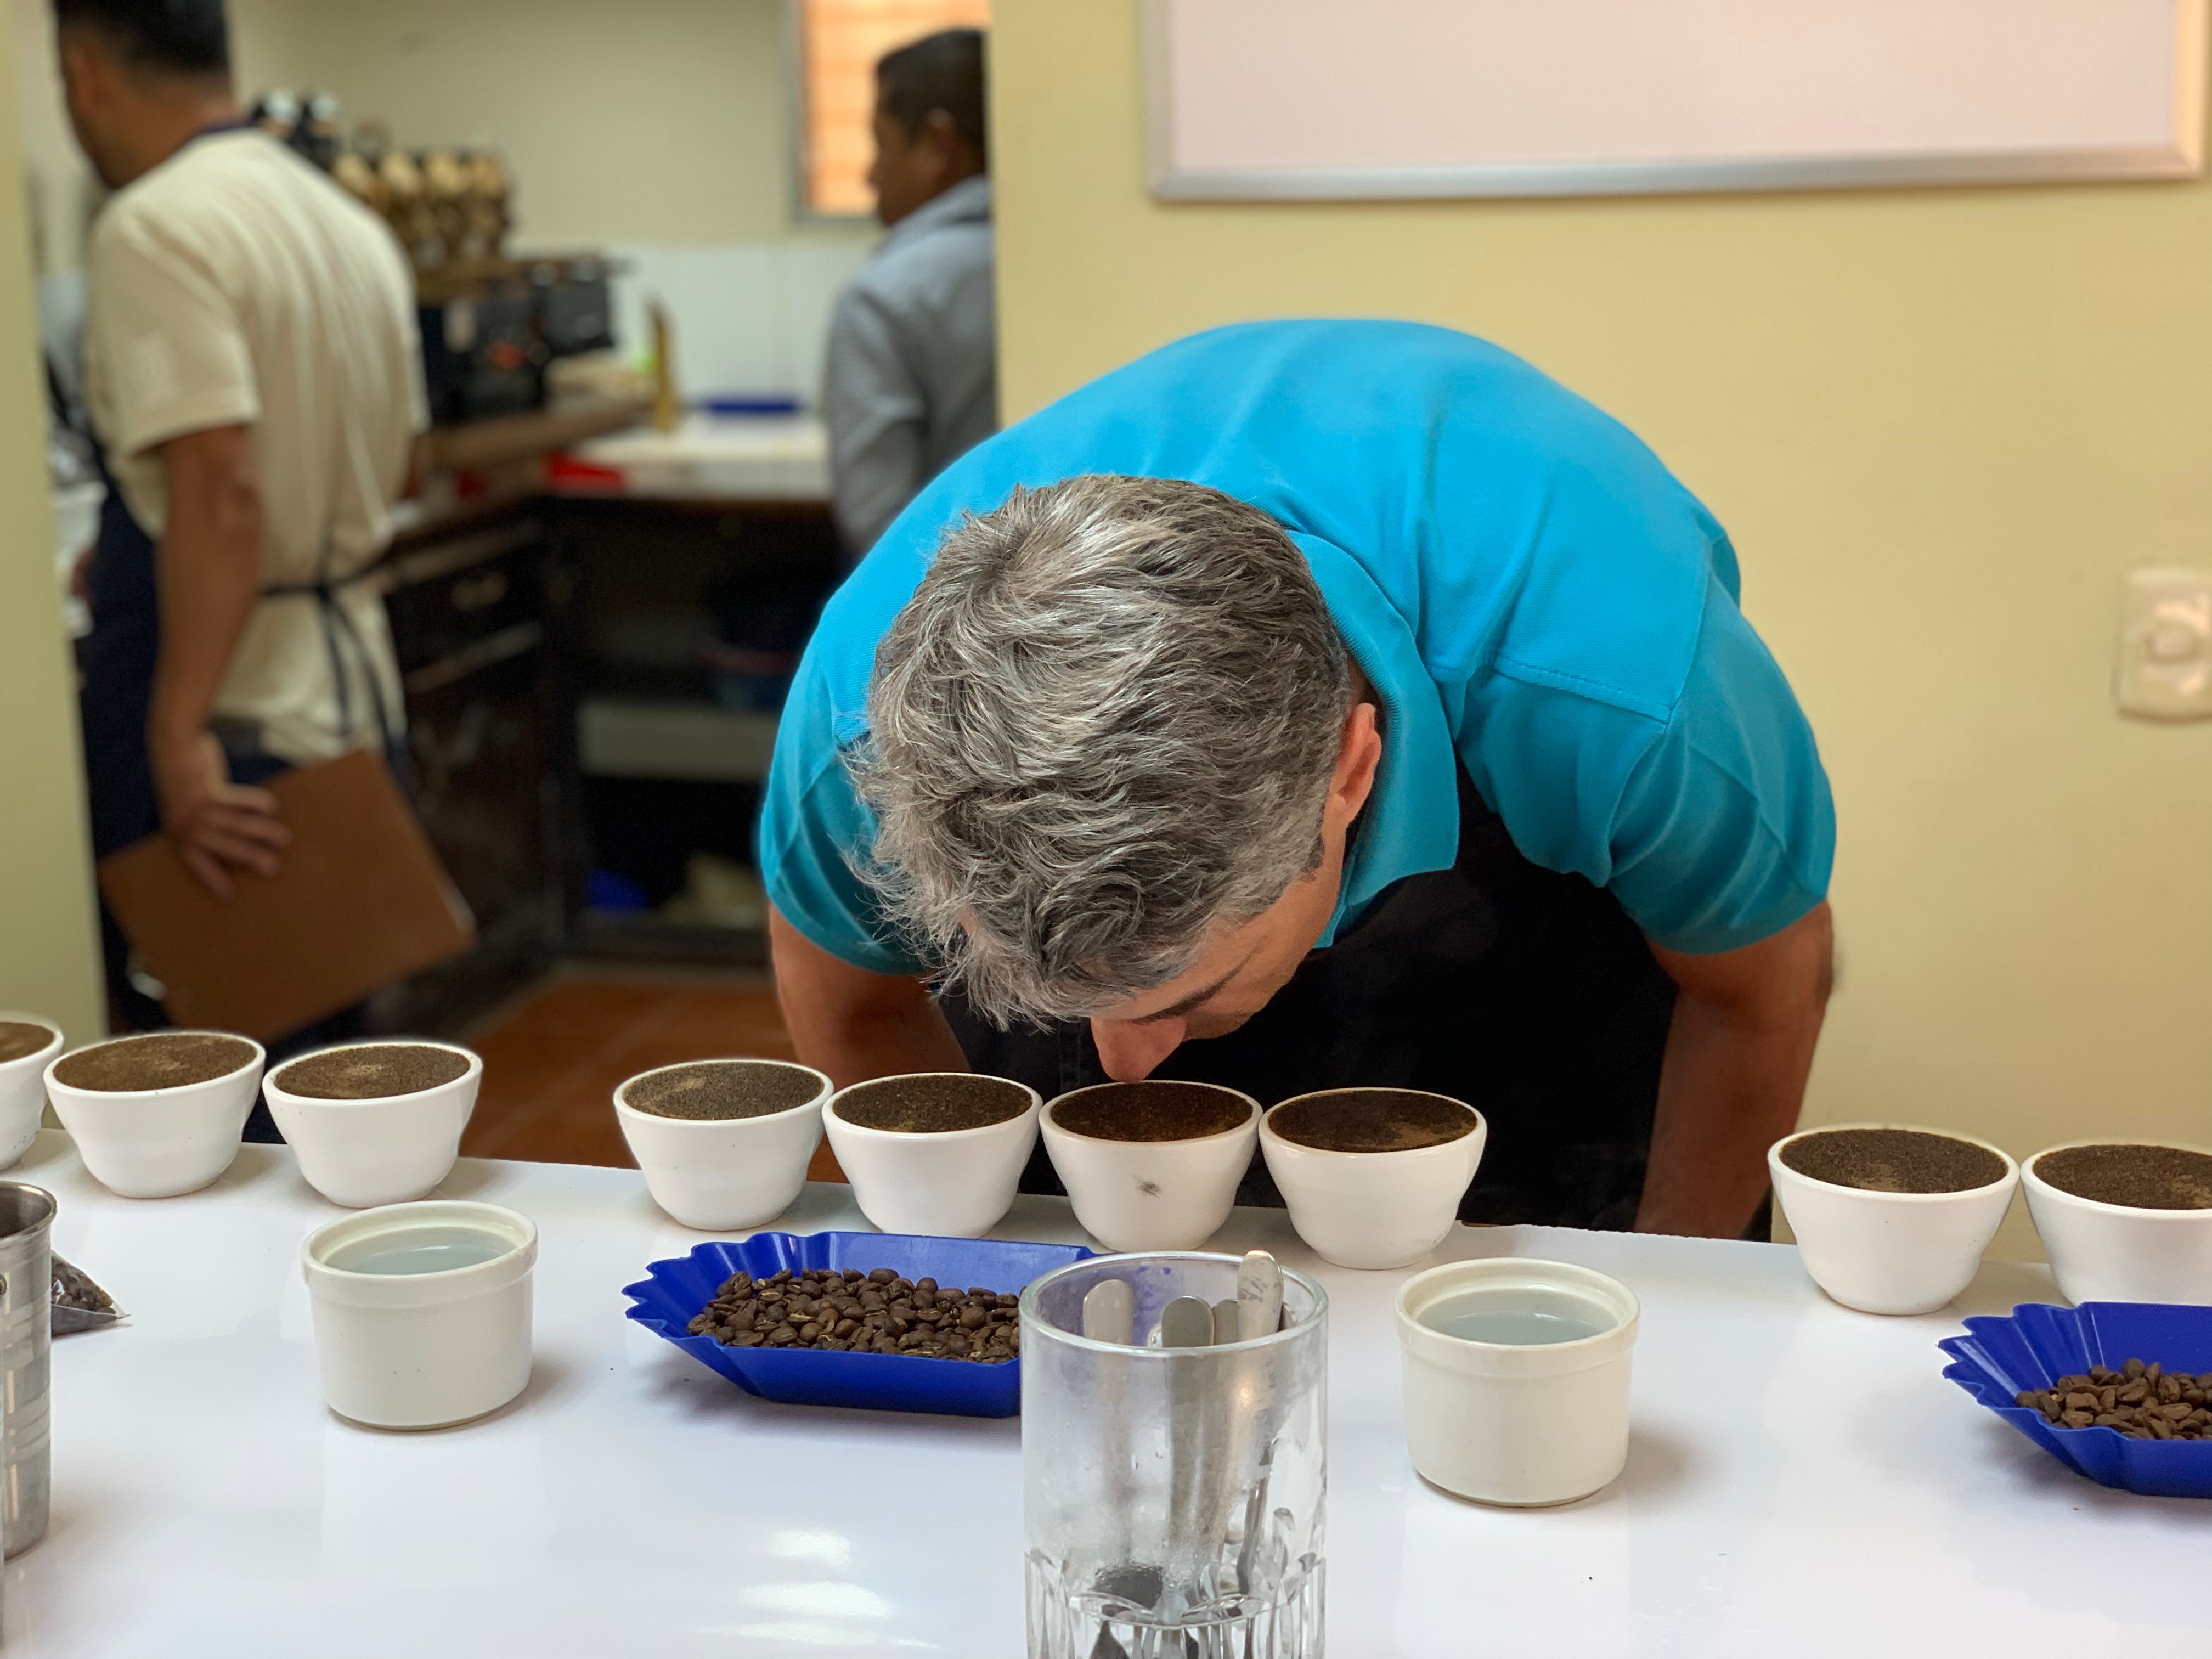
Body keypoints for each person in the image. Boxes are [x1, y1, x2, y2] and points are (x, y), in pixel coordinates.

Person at [762, 321, 1837, 1239]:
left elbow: (1757, 994)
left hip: (1534, 982)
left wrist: (1667, 1309)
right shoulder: (865, 720)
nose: (1124, 1067)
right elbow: (857, 1007)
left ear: (1353, 770)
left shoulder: (1619, 688)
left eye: (1180, 998)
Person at [56, 0, 425, 1107]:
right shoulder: (340, 219)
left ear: (83, 72)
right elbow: (395, 466)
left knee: (212, 1092)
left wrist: (176, 735)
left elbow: (222, 481)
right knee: (334, 1082)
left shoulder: (153, 226)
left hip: (234, 723)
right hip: (348, 693)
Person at [821, 27, 995, 562]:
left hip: (953, 625)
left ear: (939, 145)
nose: (870, 175)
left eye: (882, 144)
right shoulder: (1072, 256)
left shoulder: (887, 298)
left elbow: (879, 528)